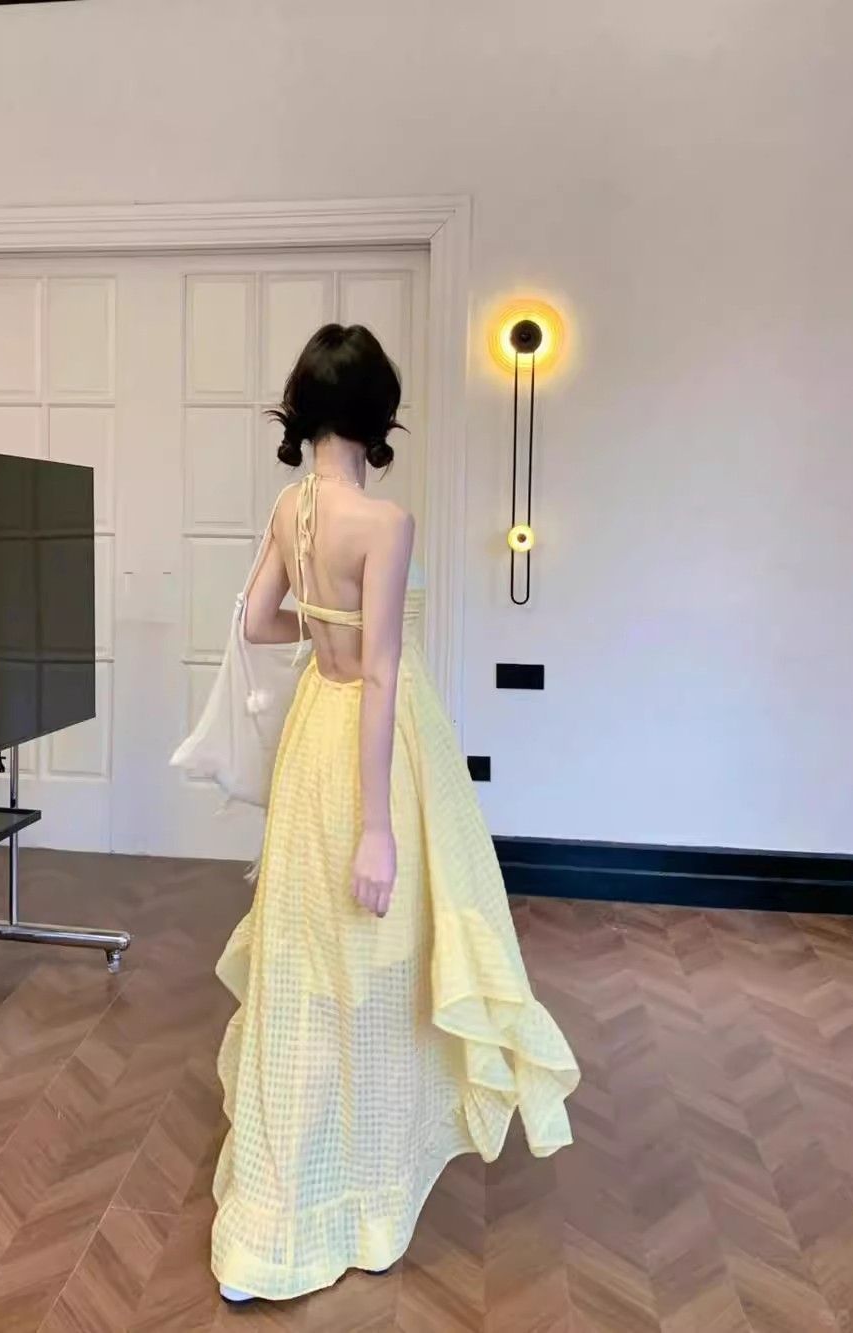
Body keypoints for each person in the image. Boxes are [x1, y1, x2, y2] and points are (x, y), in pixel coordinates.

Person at [212, 324, 579, 1304]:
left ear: (303, 410)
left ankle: (280, 1208)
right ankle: (365, 1206)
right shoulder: (383, 520)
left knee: (304, 959)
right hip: (373, 749)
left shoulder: (290, 508)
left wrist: (322, 622)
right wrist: (377, 826)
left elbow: (255, 620)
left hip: (312, 738)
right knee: (378, 965)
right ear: (379, 415)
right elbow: (380, 674)